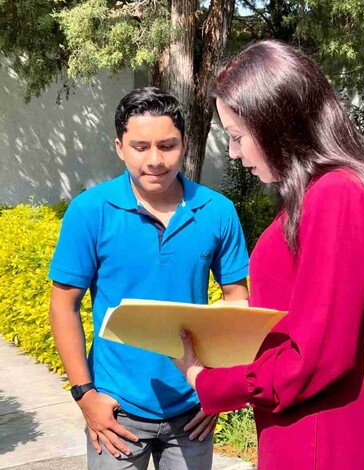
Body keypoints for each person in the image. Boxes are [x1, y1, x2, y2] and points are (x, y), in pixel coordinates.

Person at [173, 40, 364, 470]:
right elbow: (300, 315)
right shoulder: (319, 193)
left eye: (238, 136)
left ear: (277, 123)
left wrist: (208, 381)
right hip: (300, 427)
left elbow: (316, 357)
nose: (234, 153)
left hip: (315, 436)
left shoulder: (339, 194)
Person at [48, 87, 249, 470]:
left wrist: (218, 390)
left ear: (185, 144)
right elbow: (63, 304)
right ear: (120, 147)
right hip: (117, 410)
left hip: (192, 410)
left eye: (167, 145)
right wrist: (85, 395)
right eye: (140, 147)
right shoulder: (90, 211)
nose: (155, 160)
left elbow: (237, 301)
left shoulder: (216, 211)